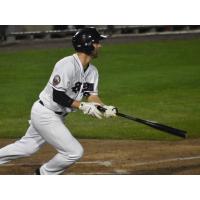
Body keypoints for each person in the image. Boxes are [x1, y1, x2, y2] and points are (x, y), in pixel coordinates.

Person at [0, 27, 117, 175]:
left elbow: (91, 95)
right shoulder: (66, 65)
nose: (100, 45)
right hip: (45, 113)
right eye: (97, 42)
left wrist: (103, 107)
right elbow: (58, 96)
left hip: (55, 115)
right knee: (74, 152)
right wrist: (83, 106)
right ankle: (43, 174)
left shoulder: (92, 71)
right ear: (88, 44)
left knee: (27, 147)